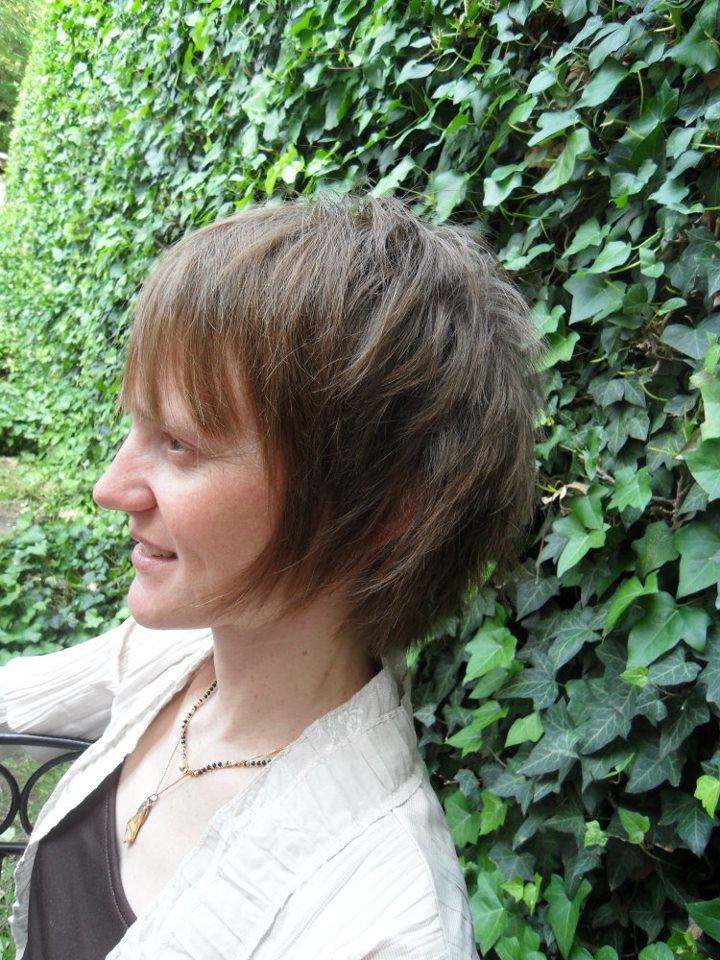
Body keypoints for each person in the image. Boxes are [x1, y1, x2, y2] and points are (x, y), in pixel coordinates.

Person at [0, 195, 540, 959]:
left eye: (179, 443)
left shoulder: (383, 927)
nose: (110, 488)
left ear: (380, 508)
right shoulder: (173, 659)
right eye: (133, 425)